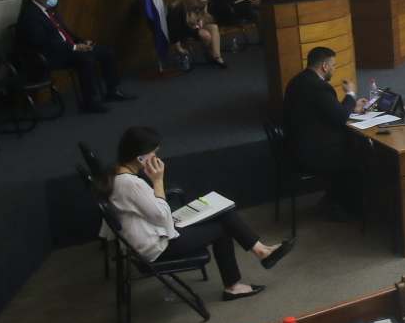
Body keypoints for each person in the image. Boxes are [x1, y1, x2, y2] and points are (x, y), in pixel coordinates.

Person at [99, 126, 290, 299]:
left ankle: (262, 252)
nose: (157, 159)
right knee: (223, 228)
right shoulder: (132, 184)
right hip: (155, 246)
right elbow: (161, 216)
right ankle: (236, 284)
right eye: (154, 153)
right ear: (141, 156)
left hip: (152, 234)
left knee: (224, 212)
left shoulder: (117, 172)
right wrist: (158, 181)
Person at [16, 0, 133, 113]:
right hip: (47, 55)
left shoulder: (50, 10)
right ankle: (89, 102)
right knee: (85, 60)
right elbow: (43, 42)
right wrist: (74, 48)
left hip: (65, 49)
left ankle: (112, 90)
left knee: (108, 52)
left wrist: (83, 42)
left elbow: (66, 33)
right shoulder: (30, 15)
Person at [282, 46, 368, 215]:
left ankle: (333, 199)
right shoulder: (319, 87)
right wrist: (350, 94)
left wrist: (351, 107)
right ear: (325, 66)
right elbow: (340, 116)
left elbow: (328, 110)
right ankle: (348, 209)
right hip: (312, 153)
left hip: (295, 147)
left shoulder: (298, 81)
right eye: (333, 65)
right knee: (360, 159)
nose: (334, 69)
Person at [168, 0, 224, 69]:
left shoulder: (201, 6)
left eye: (200, 9)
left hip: (193, 26)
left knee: (214, 27)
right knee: (206, 35)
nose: (198, 10)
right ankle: (209, 54)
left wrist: (200, 21)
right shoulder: (178, 10)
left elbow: (208, 18)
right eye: (195, 9)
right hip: (183, 29)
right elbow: (173, 29)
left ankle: (217, 56)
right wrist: (179, 47)